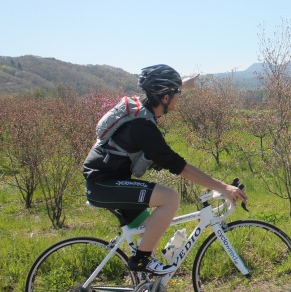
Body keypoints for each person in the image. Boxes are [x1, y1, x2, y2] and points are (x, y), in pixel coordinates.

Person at [83, 64, 247, 275]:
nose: (178, 97)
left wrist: (181, 85)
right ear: (165, 98)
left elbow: (159, 92)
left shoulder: (141, 110)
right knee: (169, 198)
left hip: (109, 182)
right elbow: (179, 166)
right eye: (176, 93)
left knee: (150, 234)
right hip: (103, 185)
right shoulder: (142, 128)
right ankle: (141, 262)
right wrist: (223, 187)